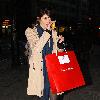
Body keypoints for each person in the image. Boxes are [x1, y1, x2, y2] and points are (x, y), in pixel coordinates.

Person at [25, 8, 64, 100]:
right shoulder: (31, 32)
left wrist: (60, 43)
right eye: (45, 18)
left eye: (49, 18)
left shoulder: (53, 32)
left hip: (52, 68)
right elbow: (35, 49)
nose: (48, 21)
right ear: (39, 19)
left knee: (54, 91)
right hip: (41, 69)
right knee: (43, 94)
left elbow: (59, 52)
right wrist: (47, 32)